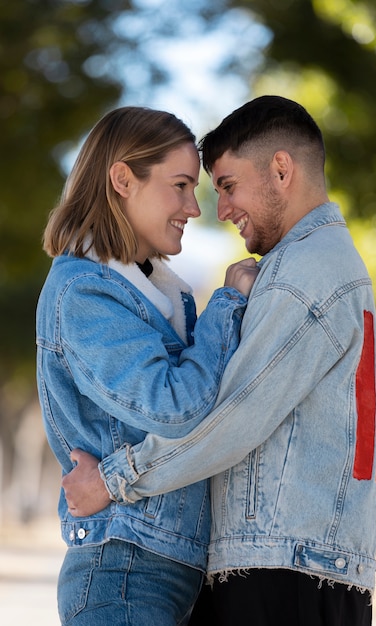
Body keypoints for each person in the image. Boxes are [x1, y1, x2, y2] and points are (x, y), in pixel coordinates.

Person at [63, 96, 376, 626]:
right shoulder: (323, 262)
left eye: (227, 187)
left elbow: (235, 415)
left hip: (283, 575)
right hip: (296, 567)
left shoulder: (301, 271)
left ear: (281, 169)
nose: (219, 210)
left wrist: (116, 479)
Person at [36, 105, 258, 626]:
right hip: (123, 572)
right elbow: (176, 408)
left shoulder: (157, 298)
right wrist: (226, 304)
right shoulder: (84, 292)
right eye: (180, 185)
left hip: (161, 566)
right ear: (122, 180)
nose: (194, 208)